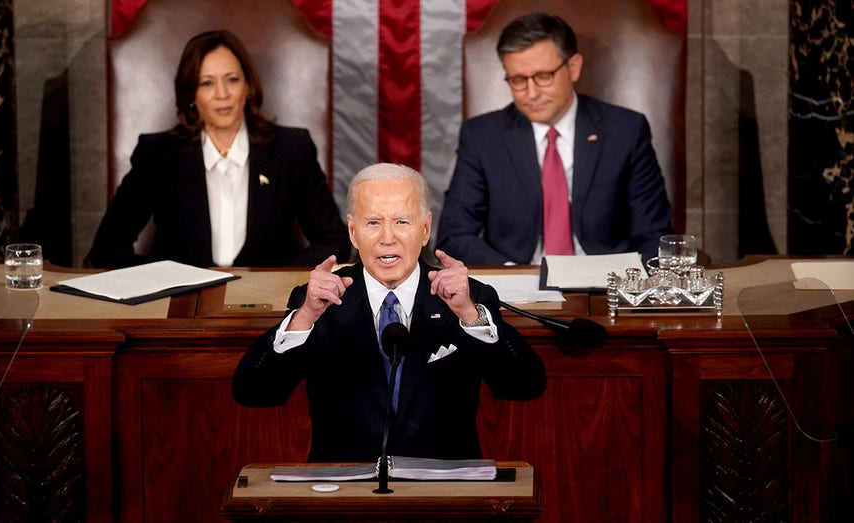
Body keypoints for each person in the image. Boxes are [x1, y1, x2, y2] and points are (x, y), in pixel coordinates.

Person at [232, 163, 546, 462]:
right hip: (345, 492)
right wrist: (305, 317)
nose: (387, 238)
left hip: (444, 492)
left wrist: (468, 313)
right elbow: (254, 392)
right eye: (373, 223)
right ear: (353, 232)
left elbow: (525, 386)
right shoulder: (318, 300)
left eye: (401, 222)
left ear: (425, 230)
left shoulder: (468, 297)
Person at [86, 30, 350, 268]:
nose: (222, 93)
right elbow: (106, 250)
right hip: (181, 313)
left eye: (232, 80)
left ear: (247, 86)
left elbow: (333, 241)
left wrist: (282, 284)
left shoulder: (292, 149)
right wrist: (161, 283)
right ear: (191, 94)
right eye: (207, 83)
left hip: (270, 311)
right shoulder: (157, 155)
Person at [436, 12, 673, 265]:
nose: (532, 93)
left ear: (573, 68)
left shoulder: (625, 130)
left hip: (605, 284)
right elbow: (454, 236)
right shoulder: (482, 136)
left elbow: (654, 234)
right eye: (518, 80)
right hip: (516, 285)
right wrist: (511, 273)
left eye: (543, 76)